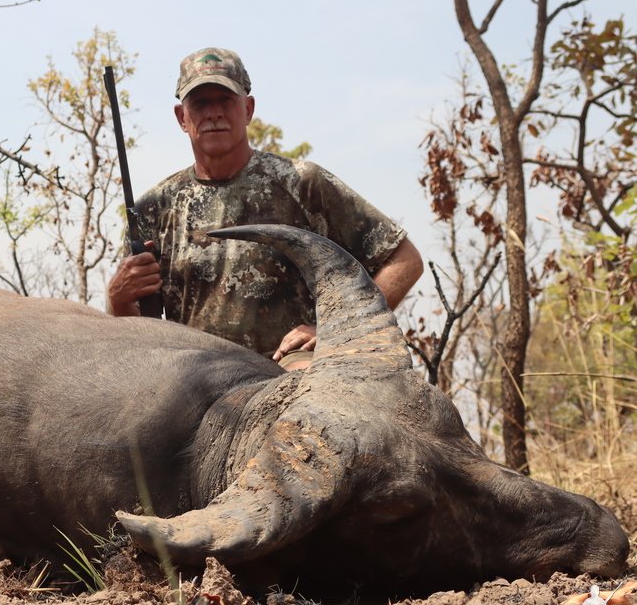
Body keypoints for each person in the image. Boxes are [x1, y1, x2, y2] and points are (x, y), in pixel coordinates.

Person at [107, 47, 424, 369]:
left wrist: (340, 330)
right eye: (201, 103)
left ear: (247, 109)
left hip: (287, 366)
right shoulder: (152, 208)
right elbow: (137, 330)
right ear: (182, 118)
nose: (213, 113)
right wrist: (118, 298)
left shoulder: (302, 182)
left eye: (225, 100)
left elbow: (404, 260)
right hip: (195, 376)